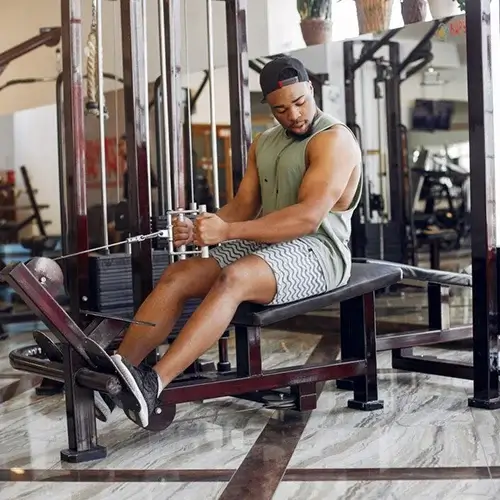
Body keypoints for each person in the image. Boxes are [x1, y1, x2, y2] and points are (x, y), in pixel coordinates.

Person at [94, 55, 363, 428]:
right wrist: (201, 227)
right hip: (266, 243)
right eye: (281, 110)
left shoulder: (334, 140)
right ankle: (116, 378)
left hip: (319, 251)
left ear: (311, 89)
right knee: (180, 274)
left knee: (234, 277)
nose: (294, 115)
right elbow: (243, 207)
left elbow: (307, 218)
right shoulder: (264, 142)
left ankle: (153, 383)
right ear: (269, 108)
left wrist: (228, 232)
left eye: (300, 103)